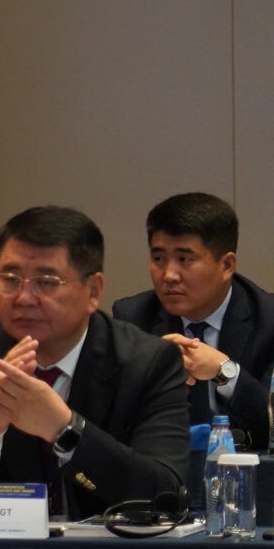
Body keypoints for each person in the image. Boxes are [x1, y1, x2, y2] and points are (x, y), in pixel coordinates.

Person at [0, 205, 188, 518]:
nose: (24, 298)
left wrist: (64, 428)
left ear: (93, 291)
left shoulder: (148, 363)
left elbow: (166, 500)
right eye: (10, 279)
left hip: (105, 548)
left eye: (46, 282)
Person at [113, 192, 274, 450]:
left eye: (184, 259)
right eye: (158, 259)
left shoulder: (268, 319)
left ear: (227, 265)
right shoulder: (134, 318)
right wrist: (151, 375)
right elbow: (114, 429)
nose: (169, 275)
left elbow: (270, 423)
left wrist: (225, 372)